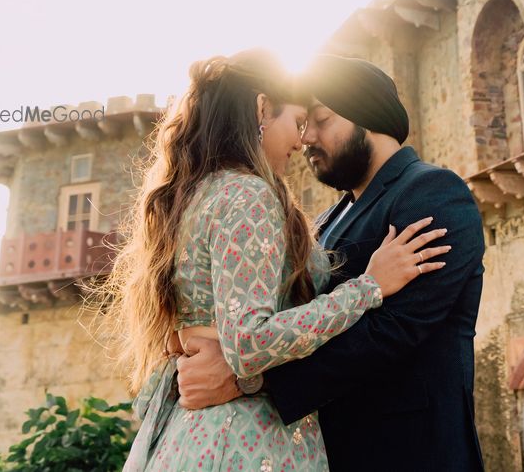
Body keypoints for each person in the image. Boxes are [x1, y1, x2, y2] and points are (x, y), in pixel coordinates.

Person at [97, 50, 451, 471]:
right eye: (299, 122)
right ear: (263, 108)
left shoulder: (196, 194)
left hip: (194, 438)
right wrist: (369, 286)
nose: (302, 141)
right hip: (248, 442)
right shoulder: (248, 195)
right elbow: (249, 342)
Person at [176, 54, 487, 472]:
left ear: (368, 116)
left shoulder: (433, 193)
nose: (306, 138)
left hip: (410, 452)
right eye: (304, 124)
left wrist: (247, 380)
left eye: (322, 119)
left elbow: (392, 329)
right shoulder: (322, 222)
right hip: (326, 453)